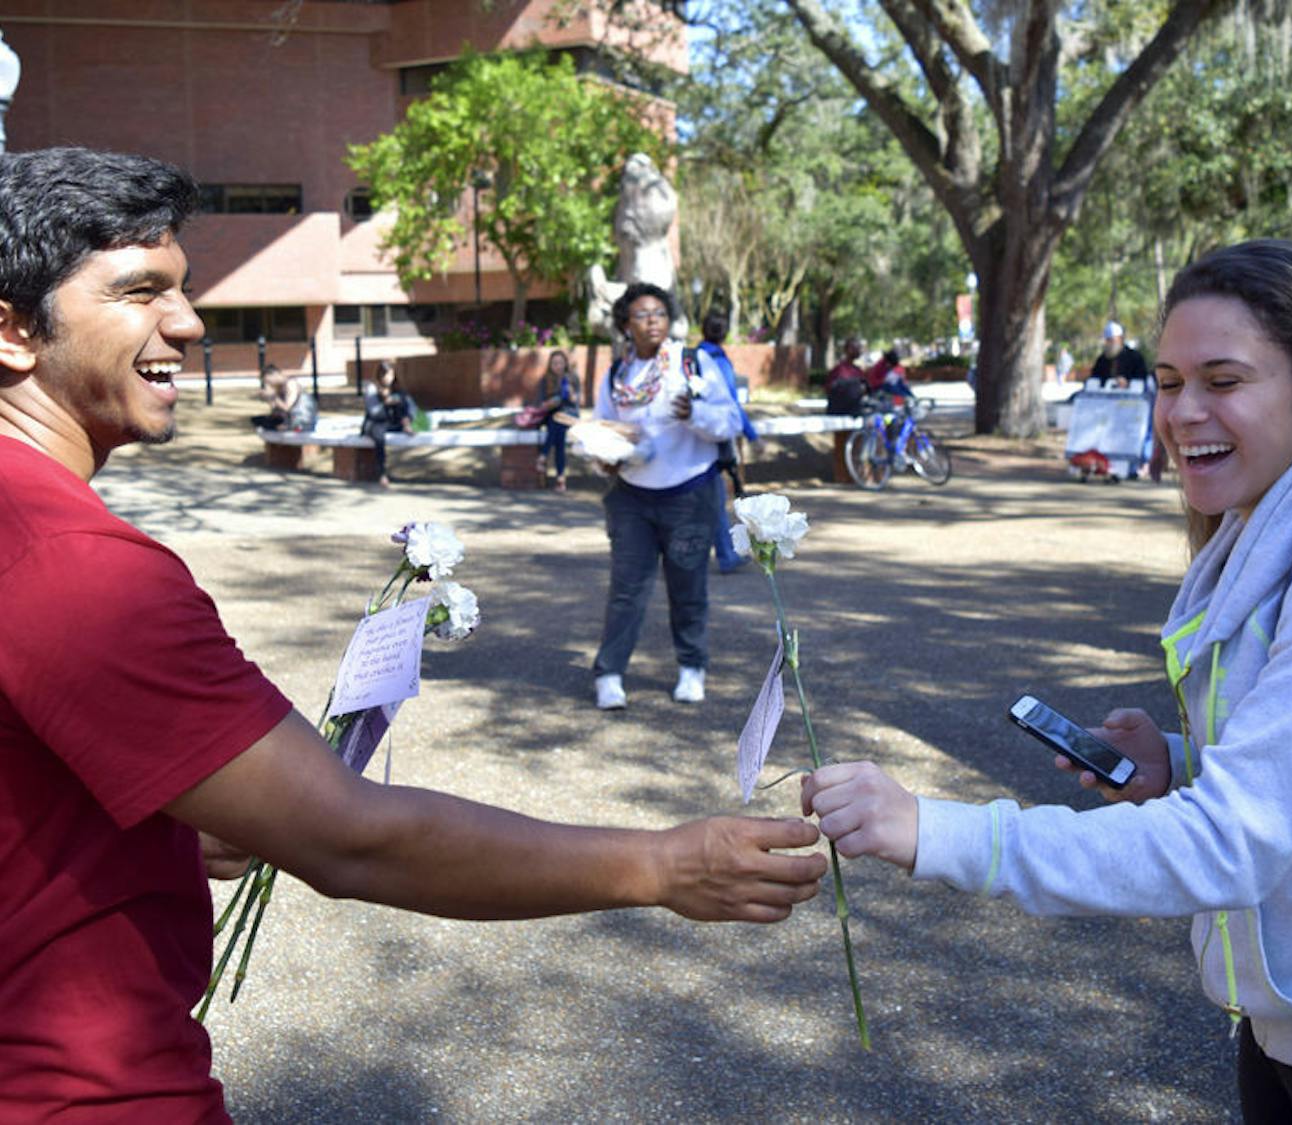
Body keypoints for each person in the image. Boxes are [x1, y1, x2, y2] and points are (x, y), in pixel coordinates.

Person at [0, 147, 826, 1121]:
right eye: (140, 292)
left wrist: (175, 826)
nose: (185, 323)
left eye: (181, 291)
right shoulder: (71, 561)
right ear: (12, 332)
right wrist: (662, 864)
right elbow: (355, 841)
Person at [802, 239, 1292, 1123]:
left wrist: (935, 830)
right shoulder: (1271, 521)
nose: (1181, 413)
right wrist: (1180, 759)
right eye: (1169, 382)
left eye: (1224, 380)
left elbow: (1231, 842)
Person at [589, 283, 741, 710]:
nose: (652, 320)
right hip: (632, 498)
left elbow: (729, 419)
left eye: (659, 312)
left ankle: (692, 668)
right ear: (625, 324)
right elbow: (602, 429)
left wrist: (696, 414)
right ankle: (610, 674)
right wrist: (606, 458)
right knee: (626, 590)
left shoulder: (692, 363)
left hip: (690, 495)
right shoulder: (618, 376)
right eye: (641, 314)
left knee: (688, 586)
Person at [695, 312, 758, 574]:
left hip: (692, 435)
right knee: (714, 495)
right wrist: (752, 434)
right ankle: (725, 554)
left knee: (706, 496)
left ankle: (724, 553)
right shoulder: (717, 361)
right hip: (713, 436)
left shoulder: (692, 357)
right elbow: (730, 402)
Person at [361, 359, 416, 487]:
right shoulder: (372, 389)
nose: (388, 378)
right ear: (380, 375)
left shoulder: (397, 389)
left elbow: (411, 407)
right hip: (376, 424)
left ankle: (406, 425)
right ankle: (381, 474)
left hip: (393, 422)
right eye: (386, 375)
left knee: (401, 401)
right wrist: (385, 403)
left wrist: (404, 412)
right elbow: (374, 412)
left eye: (391, 374)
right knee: (379, 438)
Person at [534, 349, 579, 492]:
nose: (558, 366)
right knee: (558, 431)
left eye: (560, 362)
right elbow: (541, 403)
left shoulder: (573, 378)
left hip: (569, 415)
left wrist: (572, 394)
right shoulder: (545, 380)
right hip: (551, 415)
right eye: (554, 363)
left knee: (558, 427)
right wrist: (548, 404)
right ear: (550, 365)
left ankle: (543, 456)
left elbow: (576, 402)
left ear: (565, 363)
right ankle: (560, 478)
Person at [251, 363, 317, 432]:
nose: (269, 384)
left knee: (274, 428)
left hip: (302, 420)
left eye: (268, 381)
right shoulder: (278, 388)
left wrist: (273, 396)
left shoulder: (291, 384)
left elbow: (287, 408)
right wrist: (269, 399)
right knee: (259, 421)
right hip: (290, 420)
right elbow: (277, 412)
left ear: (274, 375)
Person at [1089, 320, 1149, 388]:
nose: (1109, 344)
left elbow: (1142, 379)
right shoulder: (1102, 360)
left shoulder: (1135, 358)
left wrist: (1128, 383)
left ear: (1121, 339)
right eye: (1107, 340)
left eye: (1112, 340)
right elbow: (1094, 379)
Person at [825, 336, 867, 415]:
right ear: (848, 350)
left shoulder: (858, 371)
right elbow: (829, 389)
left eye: (859, 348)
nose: (858, 350)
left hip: (854, 413)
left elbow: (864, 389)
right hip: (839, 414)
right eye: (855, 347)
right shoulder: (838, 370)